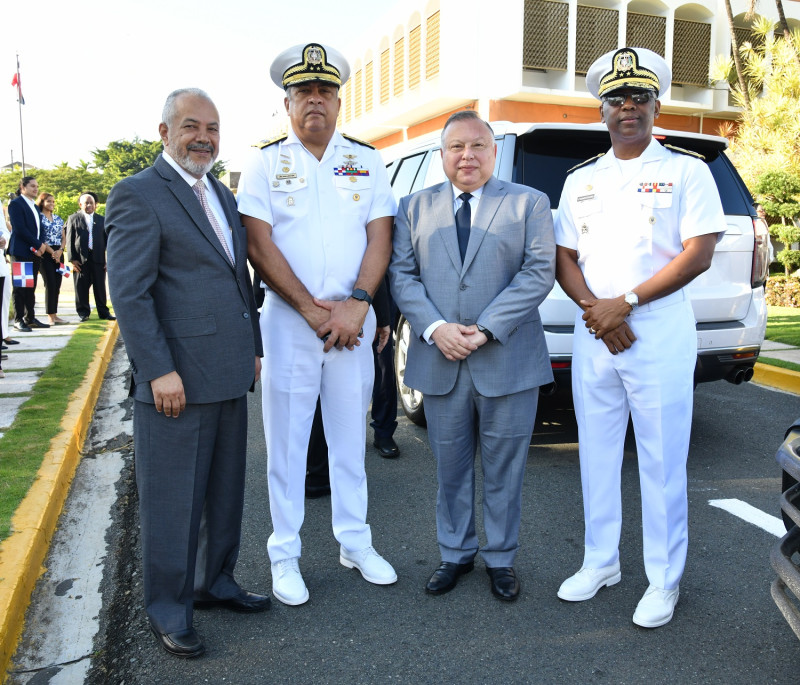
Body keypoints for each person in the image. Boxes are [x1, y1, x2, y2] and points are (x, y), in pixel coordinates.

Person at [553, 47, 725, 628]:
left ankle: (662, 580)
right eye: (616, 99)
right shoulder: (581, 180)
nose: (628, 107)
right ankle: (600, 562)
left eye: (639, 98)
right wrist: (597, 310)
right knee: (596, 454)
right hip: (596, 331)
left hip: (655, 330)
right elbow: (564, 256)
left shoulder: (687, 171)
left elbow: (698, 254)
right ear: (601, 111)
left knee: (662, 460)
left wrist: (624, 303)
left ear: (656, 107)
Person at [106, 87, 269, 658]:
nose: (204, 138)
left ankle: (214, 582)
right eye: (192, 126)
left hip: (227, 372)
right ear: (165, 132)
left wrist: (252, 346)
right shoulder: (137, 193)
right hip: (175, 382)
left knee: (224, 495)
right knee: (173, 504)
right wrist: (158, 371)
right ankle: (169, 610)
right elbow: (130, 293)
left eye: (213, 128)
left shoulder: (220, 192)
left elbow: (238, 278)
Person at [238, 42, 398, 606]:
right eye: (303, 91)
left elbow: (380, 235)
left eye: (325, 91)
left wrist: (358, 304)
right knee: (286, 445)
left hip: (352, 322)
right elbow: (258, 242)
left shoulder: (367, 160)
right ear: (287, 103)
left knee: (350, 439)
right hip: (290, 323)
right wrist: (309, 308)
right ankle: (284, 554)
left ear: (338, 101)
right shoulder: (264, 162)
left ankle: (355, 542)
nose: (315, 100)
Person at [389, 110, 556, 601]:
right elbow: (402, 276)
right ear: (442, 155)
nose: (467, 156)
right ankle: (455, 553)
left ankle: (501, 558)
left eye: (478, 145)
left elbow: (538, 273)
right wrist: (436, 328)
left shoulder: (529, 203)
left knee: (505, 469)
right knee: (451, 468)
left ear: (493, 151)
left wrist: (484, 330)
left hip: (508, 359)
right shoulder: (413, 207)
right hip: (441, 359)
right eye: (456, 147)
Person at [7, 176, 49, 332]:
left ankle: (30, 318)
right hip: (21, 251)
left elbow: (40, 228)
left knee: (30, 286)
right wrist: (38, 245)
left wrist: (42, 245)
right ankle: (19, 320)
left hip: (35, 252)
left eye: (37, 186)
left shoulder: (34, 206)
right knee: (20, 287)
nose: (35, 189)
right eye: (32, 186)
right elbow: (19, 229)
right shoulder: (16, 204)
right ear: (22, 187)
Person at [66, 192, 115, 322]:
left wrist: (108, 260)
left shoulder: (102, 220)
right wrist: (72, 259)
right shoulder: (73, 218)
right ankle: (83, 313)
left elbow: (108, 241)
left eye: (91, 203)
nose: (89, 205)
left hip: (98, 258)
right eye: (86, 203)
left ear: (95, 205)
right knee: (81, 287)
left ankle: (104, 312)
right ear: (80, 204)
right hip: (80, 259)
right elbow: (69, 239)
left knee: (100, 287)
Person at [36, 193, 68, 325]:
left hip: (59, 253)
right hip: (45, 254)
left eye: (53, 201)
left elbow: (63, 237)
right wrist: (52, 253)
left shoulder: (58, 218)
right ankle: (50, 316)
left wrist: (60, 250)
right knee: (50, 284)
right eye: (49, 201)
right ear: (42, 202)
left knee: (57, 285)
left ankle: (55, 315)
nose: (52, 204)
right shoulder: (39, 218)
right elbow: (40, 238)